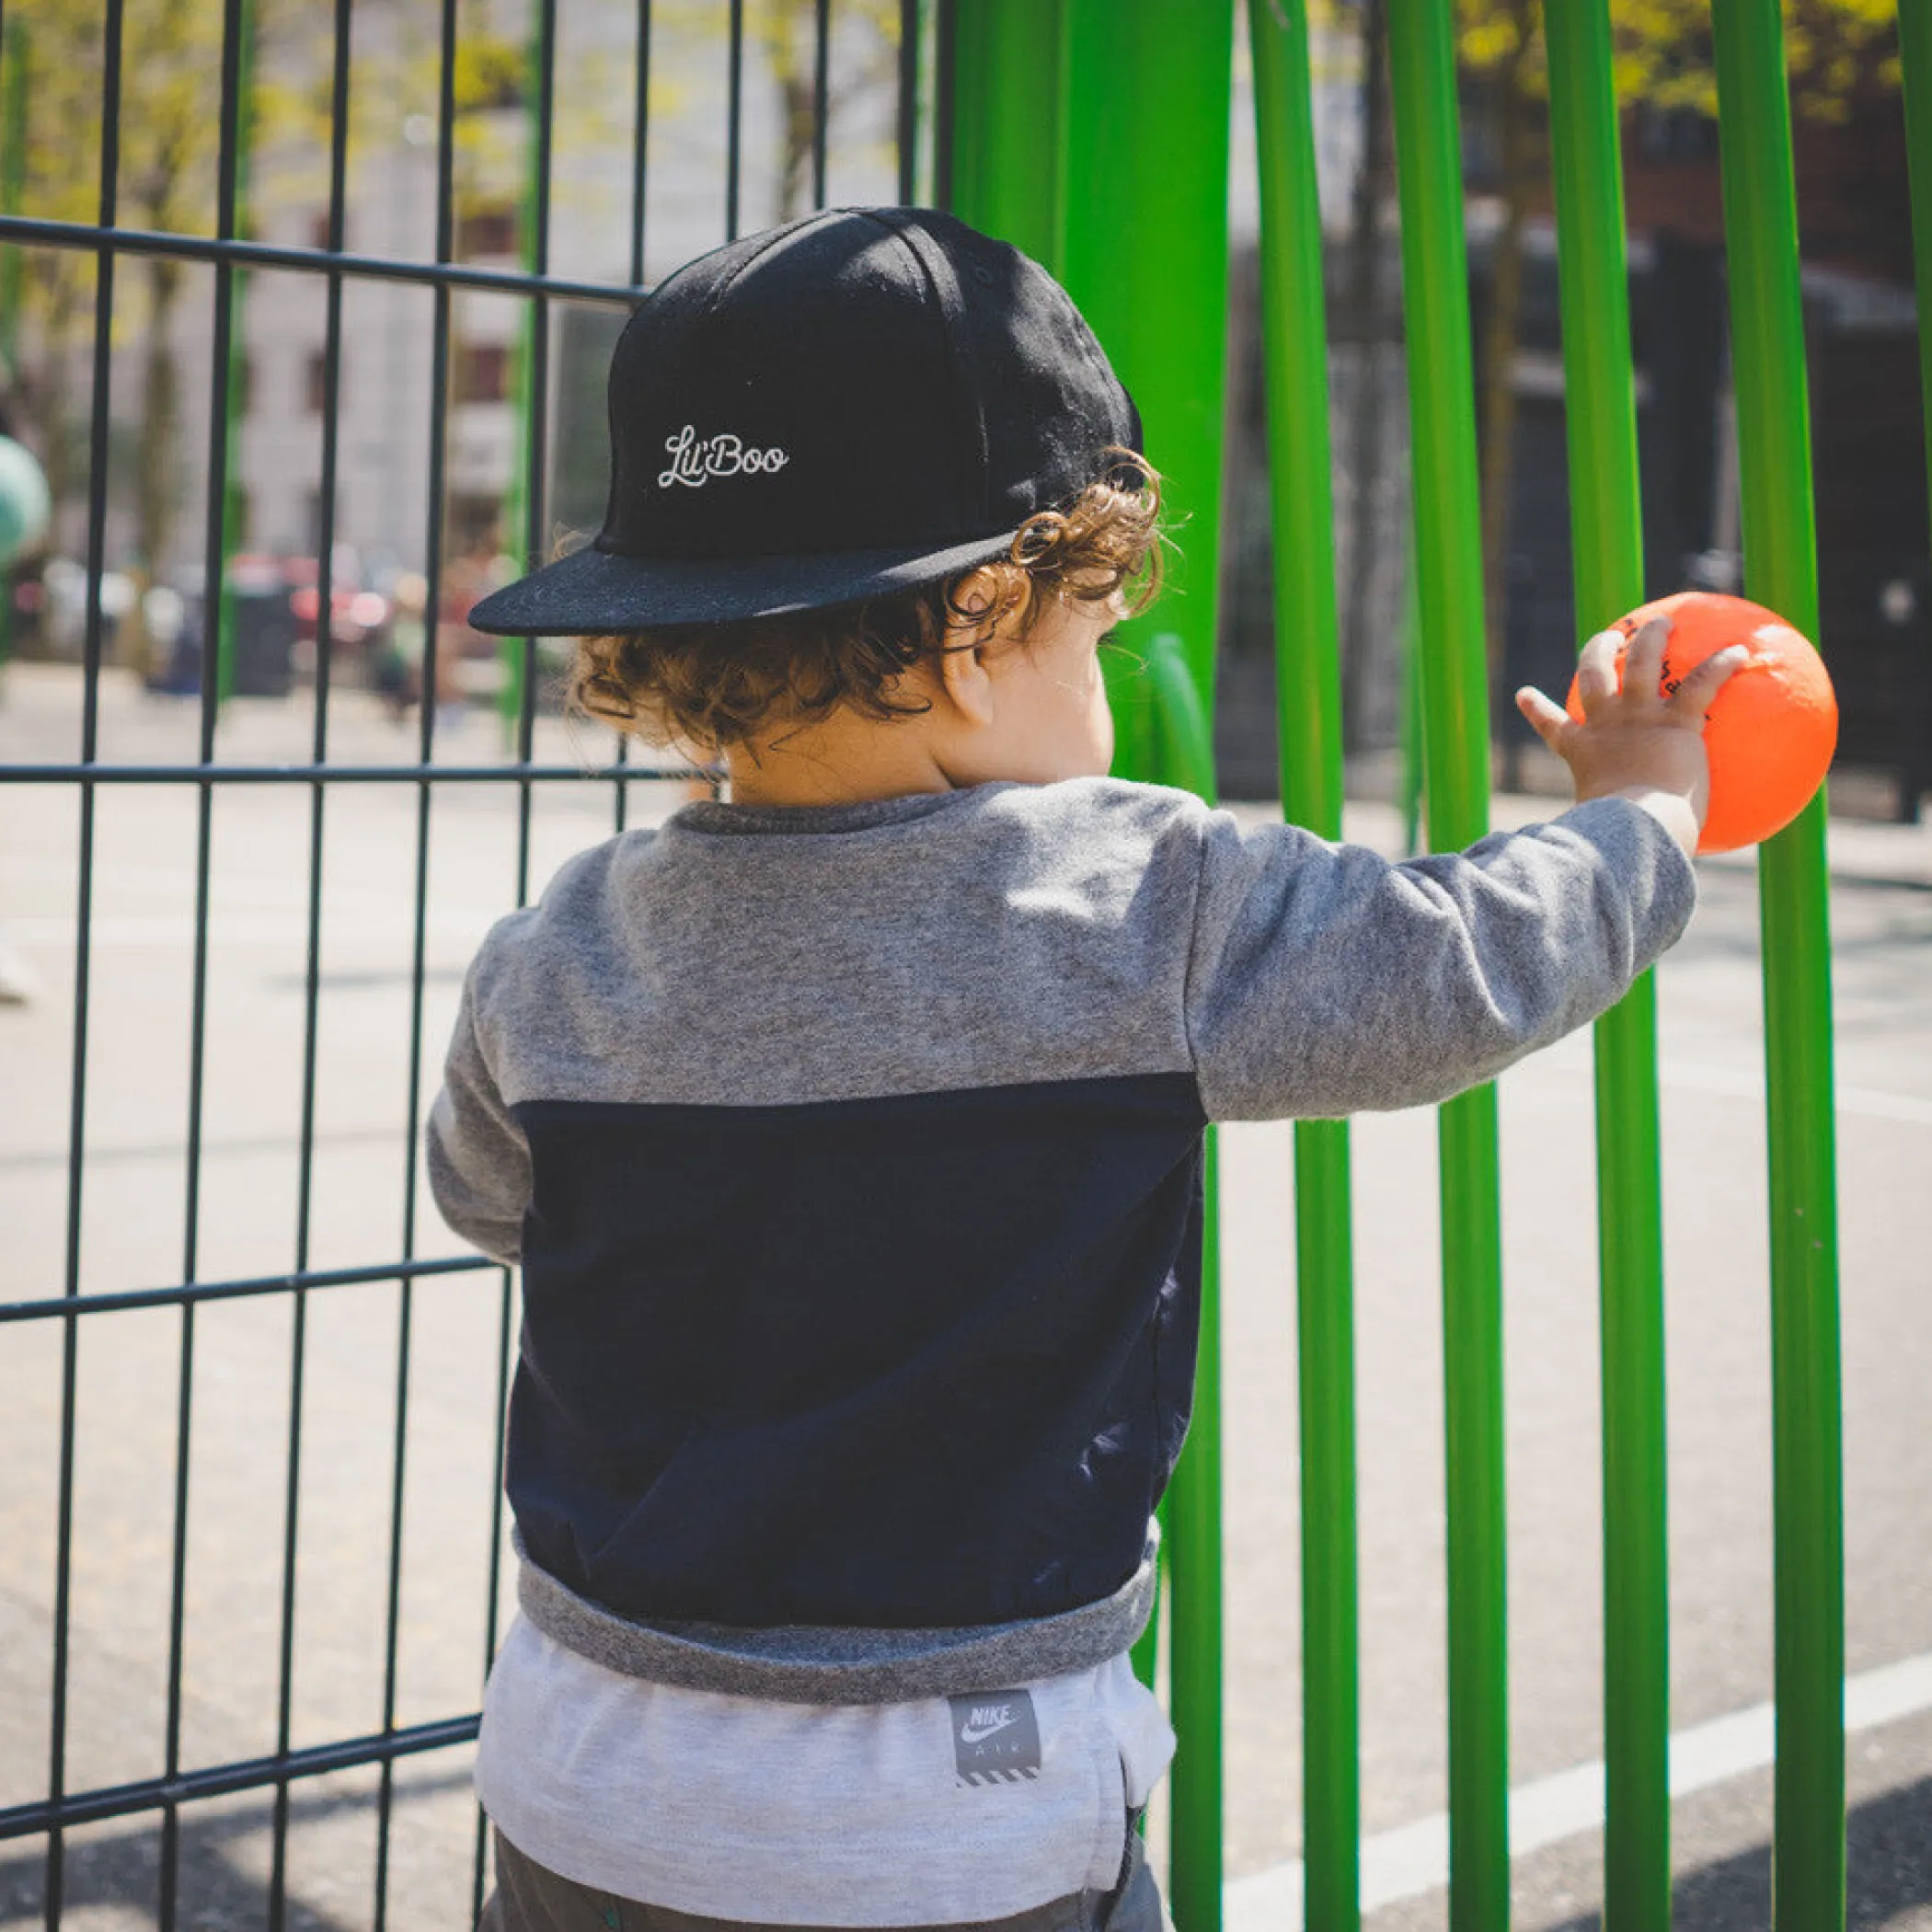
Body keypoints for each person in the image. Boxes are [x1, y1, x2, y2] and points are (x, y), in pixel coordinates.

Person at [427, 207, 1742, 1932]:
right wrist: (1643, 812)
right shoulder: (1138, 901)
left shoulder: (564, 947)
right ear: (981, 623)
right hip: (948, 1818)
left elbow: (488, 1195)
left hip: (583, 1778)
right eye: (1095, 627)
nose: (1108, 672)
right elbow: (1457, 964)